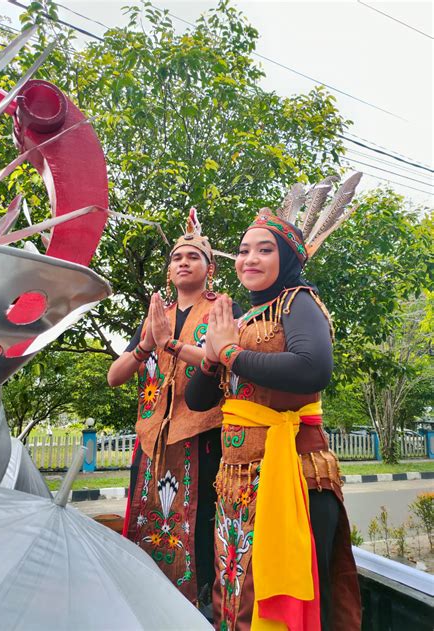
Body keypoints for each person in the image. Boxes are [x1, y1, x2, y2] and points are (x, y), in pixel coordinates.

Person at [185, 179, 362, 631]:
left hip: (294, 477)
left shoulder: (298, 303)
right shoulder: (239, 320)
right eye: (243, 250)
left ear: (288, 260)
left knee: (279, 600)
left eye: (264, 250)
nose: (249, 259)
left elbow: (310, 369)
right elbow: (199, 401)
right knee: (237, 596)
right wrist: (209, 362)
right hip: (237, 480)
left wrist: (227, 353)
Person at [108, 208, 242, 613]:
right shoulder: (157, 316)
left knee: (199, 531)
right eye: (177, 258)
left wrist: (172, 345)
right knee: (147, 524)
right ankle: (146, 605)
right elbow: (115, 376)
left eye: (193, 257)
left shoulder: (222, 310)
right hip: (152, 441)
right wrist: (147, 343)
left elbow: (222, 358)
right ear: (169, 272)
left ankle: (198, 610)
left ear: (210, 268)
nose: (183, 263)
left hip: (200, 435)